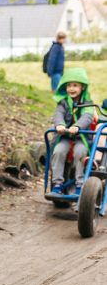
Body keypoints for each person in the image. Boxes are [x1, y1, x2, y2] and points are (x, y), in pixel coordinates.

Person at [50, 67, 93, 196]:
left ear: (82, 87)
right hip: (66, 137)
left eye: (75, 85)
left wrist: (78, 126)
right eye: (69, 85)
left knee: (80, 152)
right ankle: (57, 184)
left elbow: (88, 116)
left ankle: (80, 184)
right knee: (58, 151)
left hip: (82, 137)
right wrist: (60, 124)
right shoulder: (63, 102)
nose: (71, 89)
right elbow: (58, 114)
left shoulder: (88, 103)